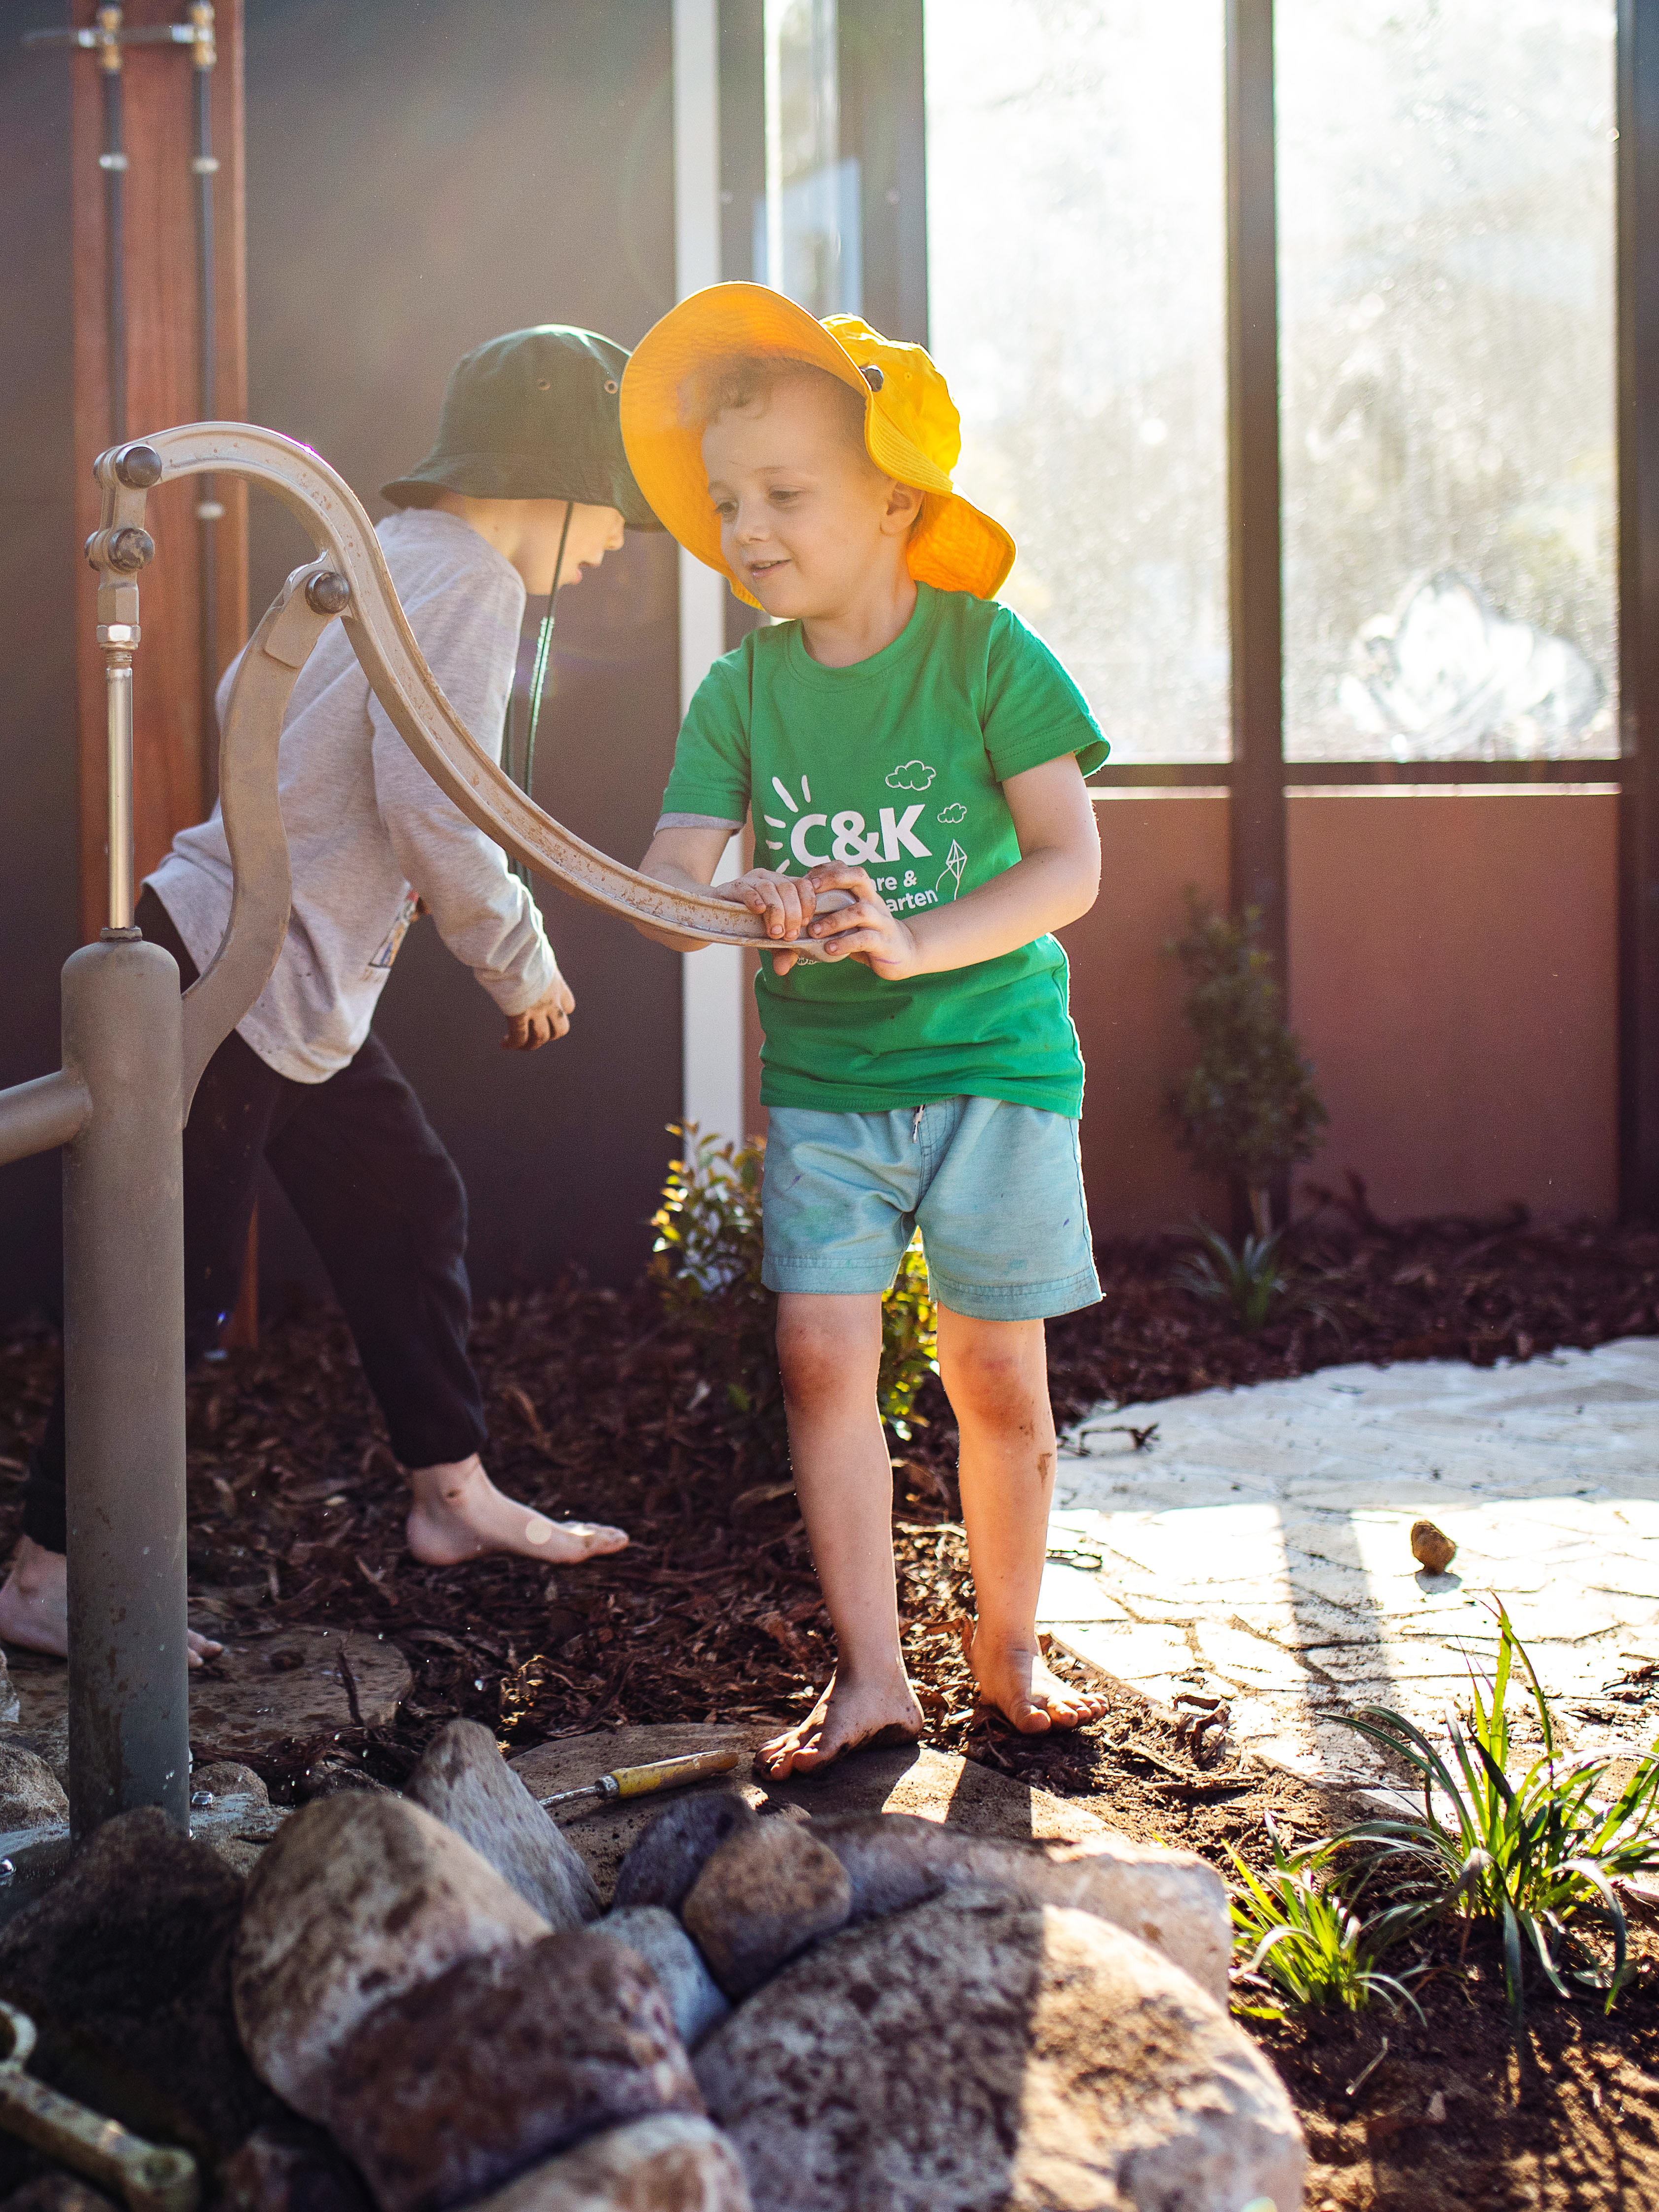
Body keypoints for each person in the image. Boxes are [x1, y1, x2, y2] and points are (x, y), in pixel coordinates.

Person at [0, 325, 662, 1660]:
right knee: (166, 1291)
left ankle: (450, 1495)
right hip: (233, 975)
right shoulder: (474, 580)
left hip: (269, 974)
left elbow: (259, 695)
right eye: (612, 519)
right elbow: (441, 799)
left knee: (405, 1202)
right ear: (553, 481)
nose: (611, 550)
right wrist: (516, 956)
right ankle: (45, 1579)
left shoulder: (370, 554)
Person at [617, 284, 1113, 1770]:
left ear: (895, 499)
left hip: (993, 1068)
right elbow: (663, 886)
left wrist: (911, 943)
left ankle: (1008, 1646)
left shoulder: (985, 655)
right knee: (823, 1357)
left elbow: (1069, 868)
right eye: (727, 501)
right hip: (830, 1080)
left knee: (995, 1380)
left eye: (785, 493)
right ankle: (874, 1675)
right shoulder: (743, 689)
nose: (748, 527)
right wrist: (742, 896)